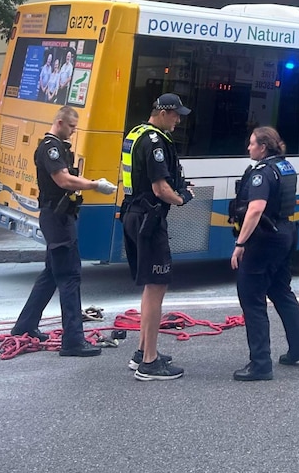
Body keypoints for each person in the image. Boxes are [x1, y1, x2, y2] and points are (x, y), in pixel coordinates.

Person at [11, 106, 118, 356]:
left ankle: (24, 326)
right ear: (60, 123)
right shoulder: (51, 147)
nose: (74, 131)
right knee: (70, 277)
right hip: (58, 219)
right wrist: (94, 185)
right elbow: (63, 180)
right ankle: (73, 341)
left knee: (51, 274)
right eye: (71, 126)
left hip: (58, 217)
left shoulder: (57, 146)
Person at [230, 126, 299, 381]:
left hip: (264, 240)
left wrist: (241, 244)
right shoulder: (285, 167)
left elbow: (255, 209)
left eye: (252, 143)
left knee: (252, 299)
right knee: (281, 292)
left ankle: (260, 365)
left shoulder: (263, 173)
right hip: (286, 234)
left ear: (263, 147)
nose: (249, 148)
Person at [121, 93, 194, 381]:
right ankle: (149, 363)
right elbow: (160, 189)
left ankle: (142, 351)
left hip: (133, 215)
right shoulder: (155, 142)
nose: (178, 120)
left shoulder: (135, 133)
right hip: (149, 219)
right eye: (176, 115)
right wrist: (183, 198)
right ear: (163, 112)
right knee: (157, 286)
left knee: (150, 286)